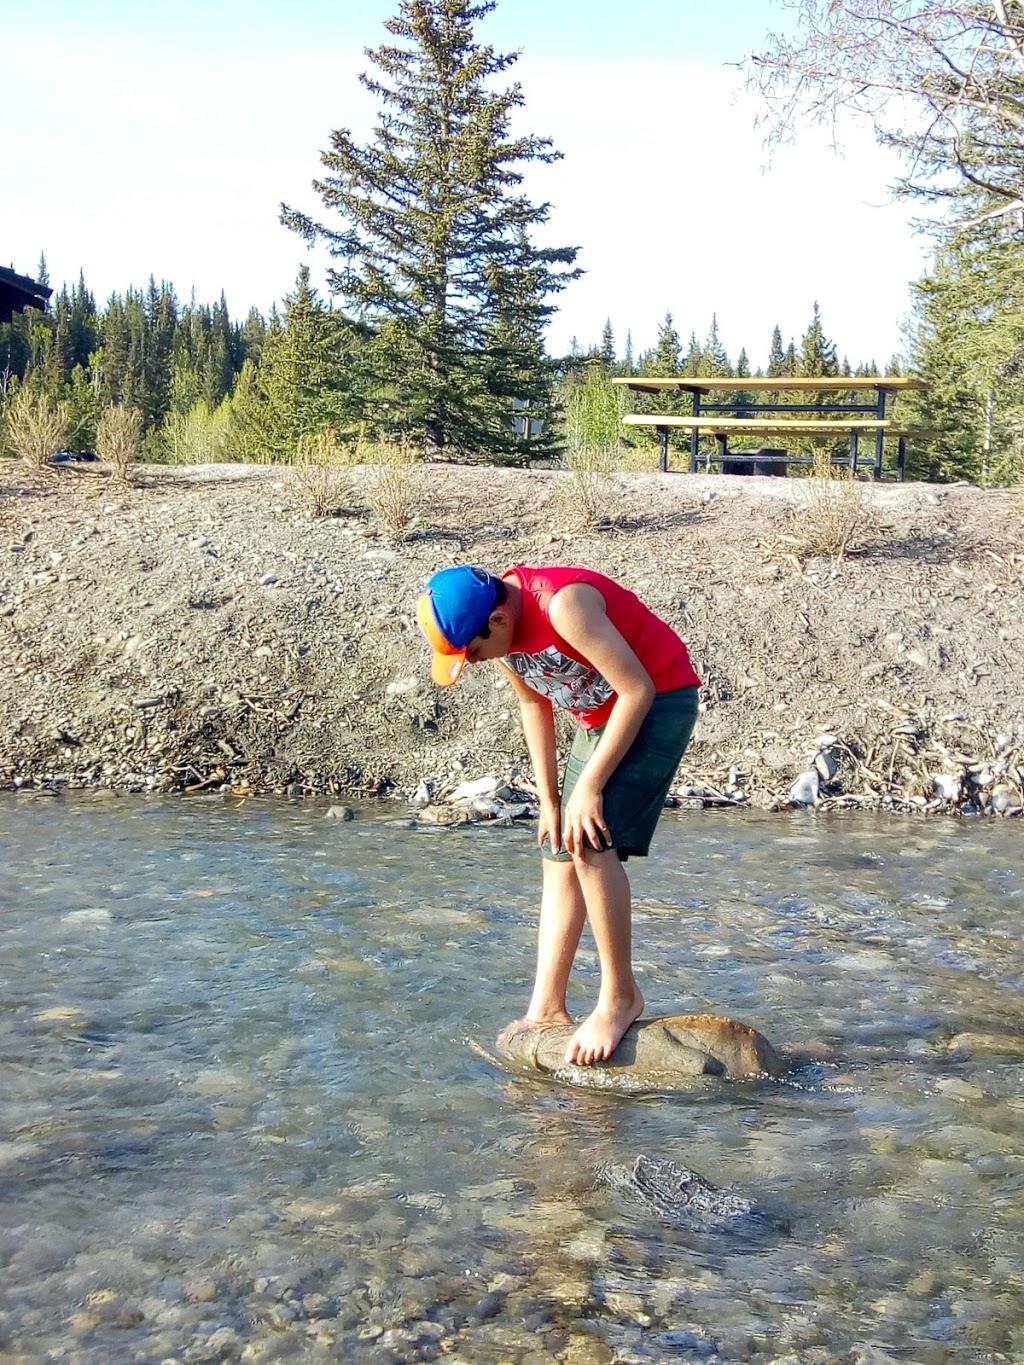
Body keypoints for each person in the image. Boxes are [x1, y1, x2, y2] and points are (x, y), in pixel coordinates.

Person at [416, 564, 700, 1066]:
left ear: (499, 620)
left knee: (590, 840)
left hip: (658, 699)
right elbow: (534, 706)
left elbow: (638, 690)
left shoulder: (564, 606)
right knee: (557, 847)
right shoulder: (500, 635)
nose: (475, 662)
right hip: (598, 719)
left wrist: (588, 787)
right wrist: (549, 800)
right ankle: (547, 1007)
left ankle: (620, 998)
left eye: (474, 652)